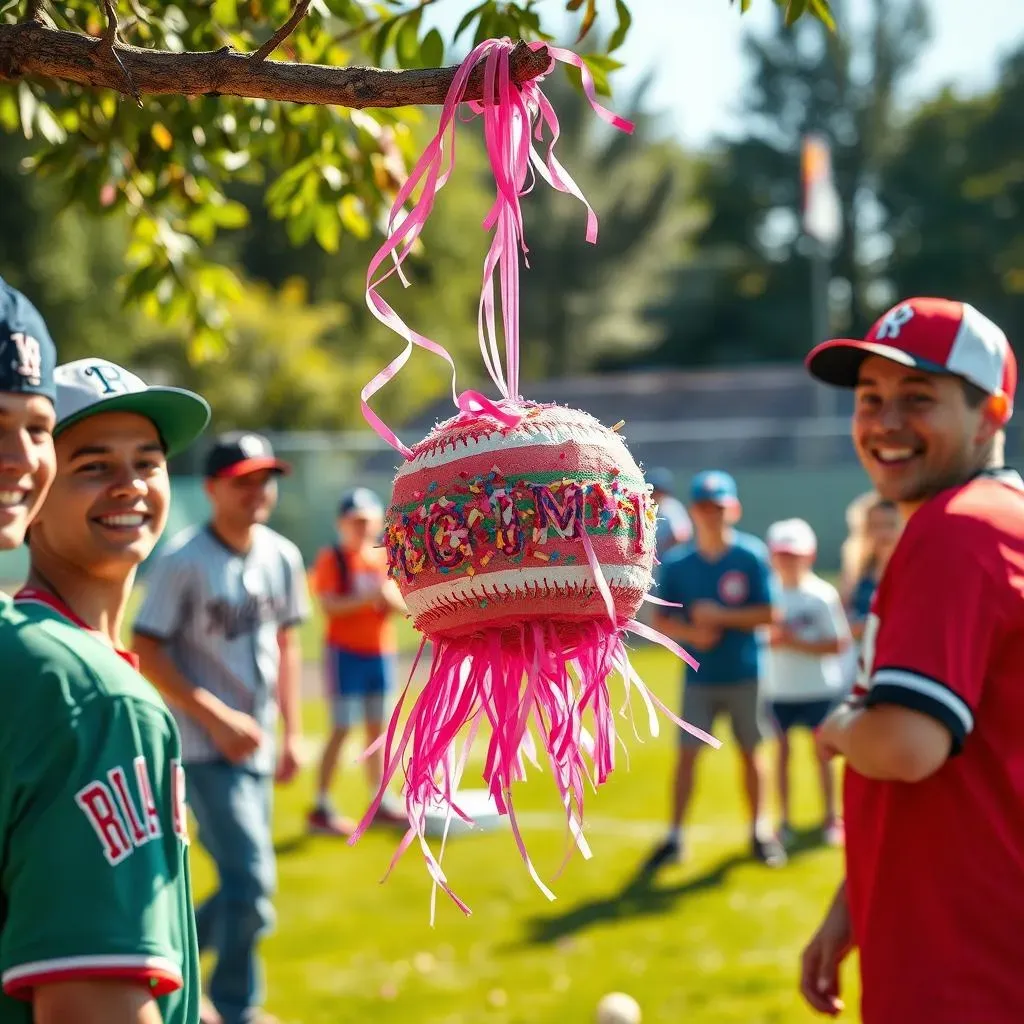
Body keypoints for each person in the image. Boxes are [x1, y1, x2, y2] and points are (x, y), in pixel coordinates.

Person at [799, 296, 1024, 1024]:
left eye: (918, 398)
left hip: (967, 970)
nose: (885, 422)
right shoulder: (997, 522)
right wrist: (857, 901)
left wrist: (837, 727)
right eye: (870, 398)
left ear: (991, 410)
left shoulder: (956, 532)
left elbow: (904, 744)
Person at [1, 345, 211, 1023]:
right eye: (93, 466)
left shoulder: (29, 650)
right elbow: (90, 1002)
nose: (131, 486)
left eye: (148, 463)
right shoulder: (85, 693)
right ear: (30, 495)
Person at [132, 431, 310, 1024]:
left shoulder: (281, 555)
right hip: (202, 748)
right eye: (244, 481)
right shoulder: (184, 560)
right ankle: (235, 1008)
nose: (258, 491)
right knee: (252, 885)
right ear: (211, 488)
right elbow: (146, 650)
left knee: (246, 891)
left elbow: (287, 645)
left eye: (266, 480)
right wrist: (219, 717)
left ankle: (158, 958)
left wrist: (293, 732)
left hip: (255, 745)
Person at [644, 469, 785, 871]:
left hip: (745, 673)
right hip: (699, 677)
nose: (712, 515)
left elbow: (770, 613)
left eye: (719, 508)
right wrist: (693, 634)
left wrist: (722, 616)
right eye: (705, 508)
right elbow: (662, 621)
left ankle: (759, 831)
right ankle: (674, 836)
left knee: (751, 753)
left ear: (733, 509)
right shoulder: (678, 562)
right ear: (694, 511)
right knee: (686, 757)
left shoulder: (750, 555)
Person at [306, 487, 407, 836]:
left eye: (368, 521)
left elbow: (396, 604)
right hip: (345, 654)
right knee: (343, 726)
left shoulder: (383, 558)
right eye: (356, 521)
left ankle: (380, 799)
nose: (363, 528)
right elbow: (330, 606)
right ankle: (321, 803)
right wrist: (369, 598)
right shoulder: (331, 558)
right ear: (342, 524)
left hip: (380, 652)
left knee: (378, 730)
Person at [763, 517, 850, 849]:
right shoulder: (767, 593)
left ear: (808, 556)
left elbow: (837, 643)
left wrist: (792, 641)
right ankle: (783, 820)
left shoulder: (821, 595)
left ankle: (831, 817)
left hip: (819, 689)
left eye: (793, 555)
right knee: (781, 754)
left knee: (823, 755)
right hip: (779, 690)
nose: (787, 561)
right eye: (782, 554)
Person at [840, 496, 901, 690]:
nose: (883, 532)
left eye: (890, 524)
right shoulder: (858, 569)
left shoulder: (912, 567)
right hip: (859, 659)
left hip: (897, 658)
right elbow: (841, 616)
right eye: (875, 525)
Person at [647, 467, 693, 559]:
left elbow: (681, 535)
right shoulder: (649, 507)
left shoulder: (670, 507)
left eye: (655, 491)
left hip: (669, 560)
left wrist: (668, 554)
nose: (652, 494)